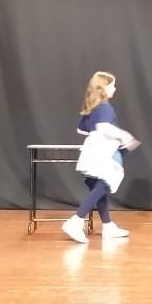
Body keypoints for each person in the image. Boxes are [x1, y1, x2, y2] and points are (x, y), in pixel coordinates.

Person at [62, 71, 139, 244]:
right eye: (112, 85)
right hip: (104, 151)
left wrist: (97, 131)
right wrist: (124, 135)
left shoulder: (92, 107)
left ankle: (108, 226)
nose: (115, 88)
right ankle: (76, 221)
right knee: (104, 184)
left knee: (99, 189)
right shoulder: (105, 107)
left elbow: (81, 129)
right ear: (103, 88)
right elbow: (104, 127)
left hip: (92, 149)